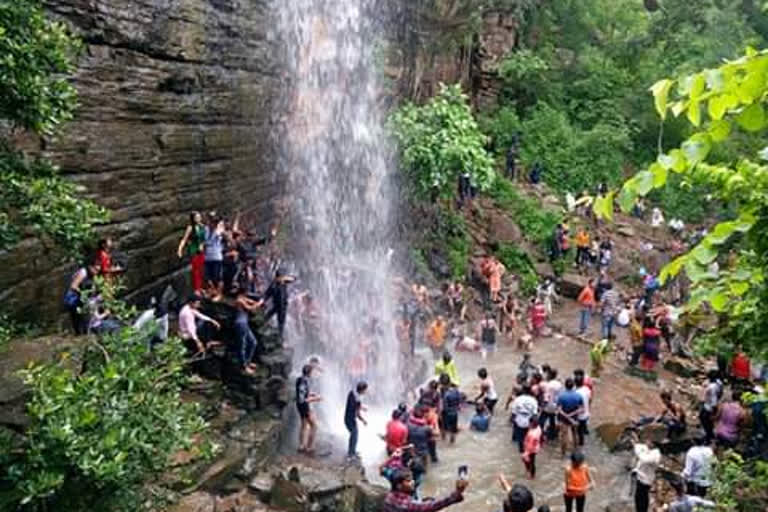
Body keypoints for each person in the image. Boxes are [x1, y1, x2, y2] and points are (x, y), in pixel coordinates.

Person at [382, 469, 467, 512]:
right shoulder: (408, 504)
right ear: (399, 485)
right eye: (408, 481)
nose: (413, 482)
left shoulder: (389, 496)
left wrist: (422, 501)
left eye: (412, 480)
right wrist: (458, 492)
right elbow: (433, 506)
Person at [63, 260, 100, 335]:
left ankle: (85, 333)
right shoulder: (83, 272)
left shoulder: (93, 275)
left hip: (83, 298)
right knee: (77, 318)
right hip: (75, 298)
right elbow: (73, 286)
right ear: (90, 267)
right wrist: (83, 293)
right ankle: (79, 334)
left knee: (85, 317)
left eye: (98, 270)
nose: (97, 272)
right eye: (95, 269)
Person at [234, 289, 264, 373]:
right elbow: (250, 308)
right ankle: (243, 367)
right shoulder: (239, 300)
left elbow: (251, 302)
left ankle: (248, 361)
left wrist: (257, 301)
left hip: (245, 324)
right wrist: (259, 303)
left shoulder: (243, 298)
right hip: (240, 324)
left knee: (253, 342)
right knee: (242, 345)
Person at [177, 211, 207, 292]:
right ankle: (196, 288)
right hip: (194, 249)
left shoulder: (203, 226)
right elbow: (184, 239)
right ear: (193, 219)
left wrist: (202, 245)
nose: (199, 218)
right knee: (195, 270)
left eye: (199, 217)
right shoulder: (190, 227)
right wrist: (180, 249)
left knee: (201, 269)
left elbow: (204, 239)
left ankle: (200, 287)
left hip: (201, 250)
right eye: (197, 217)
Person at [296, 364, 322, 454]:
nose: (313, 373)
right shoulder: (304, 382)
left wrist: (311, 394)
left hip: (300, 406)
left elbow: (303, 394)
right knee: (314, 426)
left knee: (303, 425)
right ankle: (309, 447)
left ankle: (301, 445)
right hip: (304, 407)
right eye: (312, 371)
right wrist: (316, 399)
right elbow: (303, 399)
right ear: (309, 372)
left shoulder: (301, 379)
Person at [263, 268, 295, 338]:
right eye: (280, 277)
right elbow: (267, 294)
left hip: (283, 306)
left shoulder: (284, 282)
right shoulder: (274, 285)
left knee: (281, 323)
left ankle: (280, 337)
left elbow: (293, 279)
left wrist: (284, 278)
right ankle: (263, 326)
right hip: (277, 305)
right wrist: (263, 301)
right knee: (269, 317)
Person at [556, 378, 584, 456]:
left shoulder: (561, 396)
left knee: (564, 436)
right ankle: (576, 451)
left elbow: (559, 409)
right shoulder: (578, 395)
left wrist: (567, 416)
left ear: (565, 386)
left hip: (564, 419)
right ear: (573, 386)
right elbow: (582, 409)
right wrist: (572, 414)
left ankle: (563, 453)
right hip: (574, 419)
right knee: (575, 434)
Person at [632, 438, 661, 512]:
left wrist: (636, 446)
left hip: (645, 480)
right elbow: (642, 447)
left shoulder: (655, 454)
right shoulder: (650, 450)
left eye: (648, 441)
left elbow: (644, 459)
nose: (646, 442)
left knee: (642, 498)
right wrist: (636, 442)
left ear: (653, 444)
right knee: (638, 497)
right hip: (641, 478)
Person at [508, 386, 539, 453]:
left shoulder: (518, 399)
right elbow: (535, 415)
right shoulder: (533, 400)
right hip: (529, 423)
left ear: (523, 390)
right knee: (528, 440)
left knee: (520, 441)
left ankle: (522, 453)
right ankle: (527, 452)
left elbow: (514, 413)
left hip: (519, 422)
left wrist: (511, 420)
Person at [345, 381, 368, 459]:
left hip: (348, 418)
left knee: (354, 435)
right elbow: (357, 413)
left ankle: (353, 451)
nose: (366, 391)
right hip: (350, 419)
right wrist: (363, 420)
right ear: (362, 390)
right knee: (354, 435)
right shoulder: (357, 398)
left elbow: (356, 407)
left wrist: (361, 407)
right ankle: (351, 454)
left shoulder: (352, 393)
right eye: (365, 390)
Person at [699, 370, 723, 443]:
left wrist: (713, 411)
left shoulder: (712, 387)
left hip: (708, 407)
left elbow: (713, 401)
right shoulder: (719, 383)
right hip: (710, 405)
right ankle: (710, 434)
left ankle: (708, 436)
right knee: (708, 421)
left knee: (705, 421)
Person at [540, 367, 563, 441]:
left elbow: (546, 397)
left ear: (549, 375)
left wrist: (542, 405)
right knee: (552, 419)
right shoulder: (559, 384)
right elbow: (560, 395)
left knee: (542, 420)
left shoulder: (548, 384)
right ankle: (552, 435)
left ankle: (540, 434)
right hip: (556, 405)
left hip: (548, 405)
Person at [574, 370, 592, 446]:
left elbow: (576, 405)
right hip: (586, 413)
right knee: (583, 427)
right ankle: (585, 433)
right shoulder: (587, 389)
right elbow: (590, 400)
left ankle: (580, 443)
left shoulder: (576, 392)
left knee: (579, 431)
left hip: (579, 415)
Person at [441, 380, 462, 444]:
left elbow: (445, 406)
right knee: (453, 428)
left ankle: (443, 438)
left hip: (447, 413)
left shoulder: (446, 394)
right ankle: (452, 440)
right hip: (454, 412)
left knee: (444, 426)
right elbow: (459, 402)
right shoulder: (457, 392)